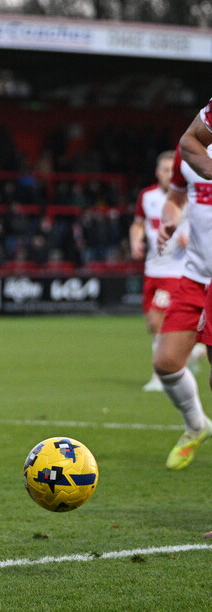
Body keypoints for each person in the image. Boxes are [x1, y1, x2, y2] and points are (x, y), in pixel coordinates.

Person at [154, 142, 212, 471]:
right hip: (194, 277)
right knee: (165, 362)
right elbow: (175, 199)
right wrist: (170, 222)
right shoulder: (188, 150)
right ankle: (196, 425)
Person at [129, 151, 196, 391]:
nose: (169, 174)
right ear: (158, 172)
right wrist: (135, 241)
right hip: (152, 269)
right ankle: (190, 351)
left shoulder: (188, 197)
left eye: (173, 170)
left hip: (176, 271)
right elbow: (138, 224)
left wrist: (192, 239)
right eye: (165, 170)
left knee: (159, 320)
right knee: (151, 324)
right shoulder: (147, 197)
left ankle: (161, 375)